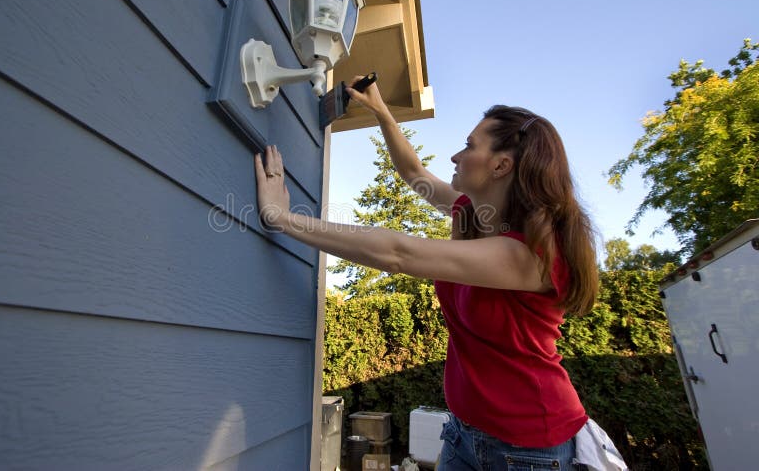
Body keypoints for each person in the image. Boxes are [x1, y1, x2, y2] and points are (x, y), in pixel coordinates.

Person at [254, 78, 600, 470]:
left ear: (502, 165)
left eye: (469, 146)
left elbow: (398, 253)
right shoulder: (473, 214)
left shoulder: (532, 255)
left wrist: (281, 218)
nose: (456, 156)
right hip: (464, 432)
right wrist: (381, 111)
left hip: (528, 450)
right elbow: (413, 172)